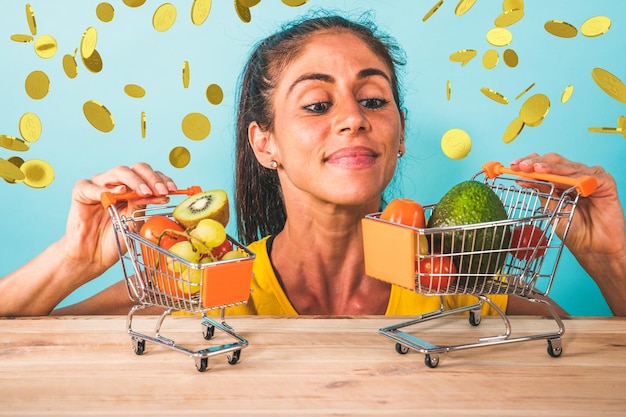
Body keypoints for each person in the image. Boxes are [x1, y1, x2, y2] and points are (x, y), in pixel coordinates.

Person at [1, 14, 624, 317]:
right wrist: (73, 261)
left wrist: (610, 257)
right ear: (264, 143)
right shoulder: (201, 289)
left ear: (399, 135)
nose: (353, 118)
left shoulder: (465, 292)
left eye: (374, 100)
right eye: (318, 103)